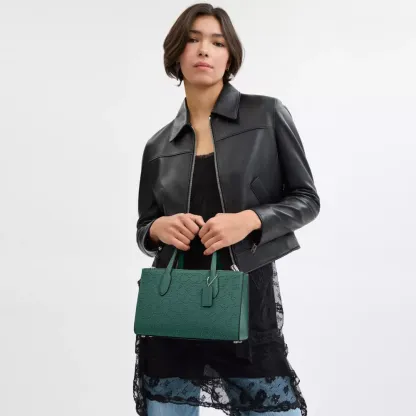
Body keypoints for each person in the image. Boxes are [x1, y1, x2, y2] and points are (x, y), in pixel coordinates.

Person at [133, 3, 320, 416]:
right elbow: (144, 227)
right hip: (172, 308)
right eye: (193, 40)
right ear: (176, 54)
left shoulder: (266, 115)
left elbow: (307, 200)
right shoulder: (158, 145)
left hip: (246, 308)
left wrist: (250, 220)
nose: (204, 50)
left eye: (217, 42)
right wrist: (159, 229)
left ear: (230, 56)